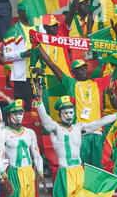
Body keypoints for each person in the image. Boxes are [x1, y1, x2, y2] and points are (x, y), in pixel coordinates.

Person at [36, 35, 113, 168]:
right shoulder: (70, 83)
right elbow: (52, 65)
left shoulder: (97, 83)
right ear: (74, 72)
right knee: (80, 167)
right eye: (80, 69)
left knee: (97, 170)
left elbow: (115, 73)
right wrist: (38, 46)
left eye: (85, 68)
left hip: (97, 132)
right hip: (80, 132)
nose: (83, 70)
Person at [2, 0, 35, 112]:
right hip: (22, 76)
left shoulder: (38, 28)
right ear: (20, 12)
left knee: (39, 106)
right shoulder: (13, 32)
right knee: (23, 107)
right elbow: (6, 55)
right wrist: (22, 54)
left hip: (37, 73)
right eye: (27, 11)